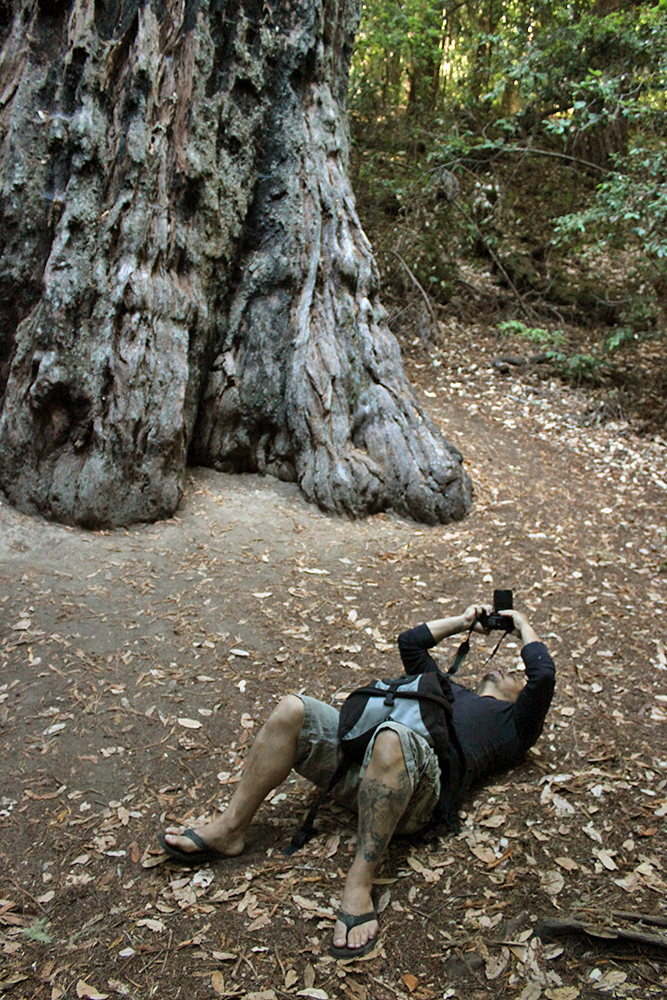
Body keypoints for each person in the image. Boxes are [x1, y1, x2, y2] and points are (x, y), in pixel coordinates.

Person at [158, 603, 555, 959]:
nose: (507, 672)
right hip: (362, 766)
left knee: (392, 736)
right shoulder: (446, 687)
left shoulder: (514, 726)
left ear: (520, 698)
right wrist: (462, 622)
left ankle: (359, 884)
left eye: (514, 677)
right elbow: (410, 644)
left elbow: (543, 674)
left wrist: (520, 624)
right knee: (293, 708)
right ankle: (230, 829)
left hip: (418, 797)